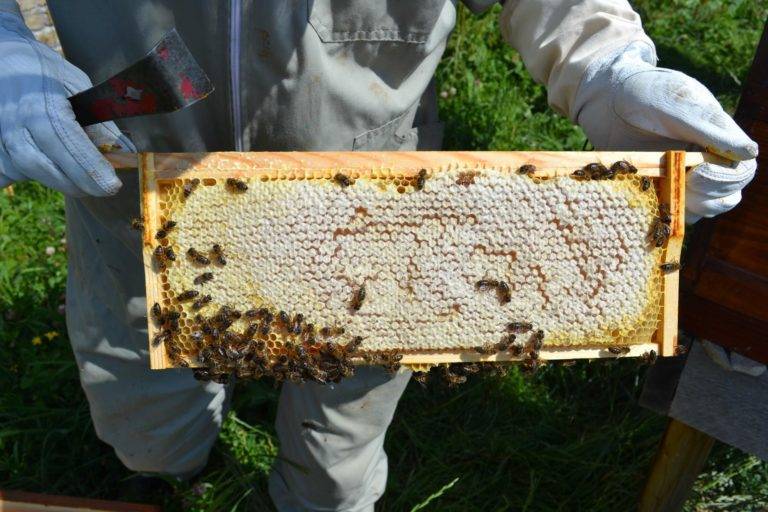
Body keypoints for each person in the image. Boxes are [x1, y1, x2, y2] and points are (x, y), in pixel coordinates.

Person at [0, 1, 758, 510]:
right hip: (137, 194)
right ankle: (172, 475)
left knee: (341, 442)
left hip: (371, 226)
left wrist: (606, 67)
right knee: (144, 409)